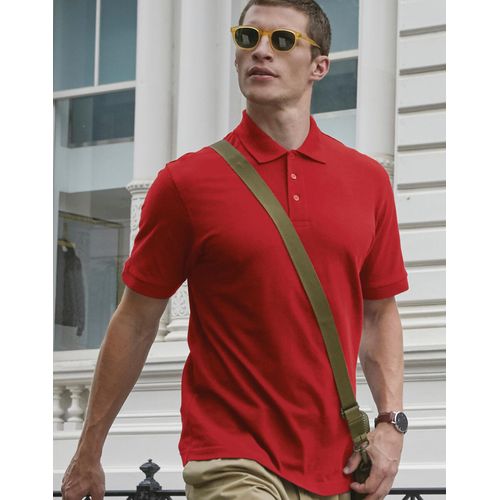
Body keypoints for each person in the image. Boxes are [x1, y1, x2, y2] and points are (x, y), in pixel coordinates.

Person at [61, 1, 409, 499]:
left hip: (336, 463)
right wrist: (89, 449)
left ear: (319, 65)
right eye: (248, 38)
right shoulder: (186, 184)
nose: (261, 51)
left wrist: (391, 424)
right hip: (229, 456)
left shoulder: (367, 181)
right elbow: (136, 320)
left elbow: (380, 314)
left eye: (282, 41)